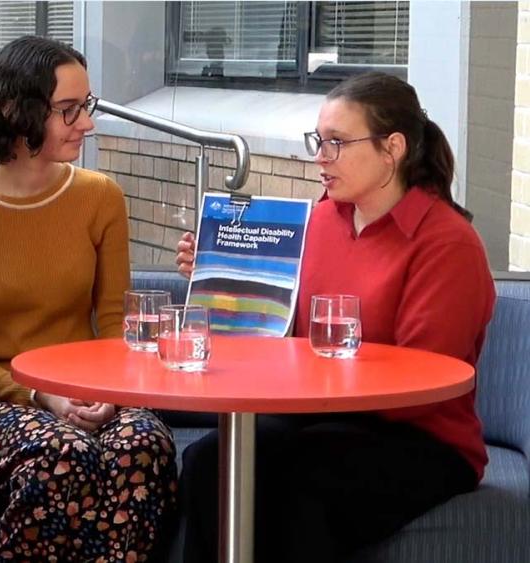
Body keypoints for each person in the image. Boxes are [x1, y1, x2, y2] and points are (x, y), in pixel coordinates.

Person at [174, 72, 495, 562]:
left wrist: (311, 383)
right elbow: (280, 324)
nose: (320, 157)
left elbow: (422, 380)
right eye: (318, 141)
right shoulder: (321, 219)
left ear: (393, 148)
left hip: (422, 439)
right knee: (207, 462)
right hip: (319, 419)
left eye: (337, 143)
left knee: (302, 485)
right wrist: (223, 273)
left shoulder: (446, 242)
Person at [0, 36, 177, 562]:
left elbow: (114, 320)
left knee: (144, 442)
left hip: (90, 388)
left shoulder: (100, 196)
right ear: (17, 111)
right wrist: (40, 397)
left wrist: (112, 390)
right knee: (62, 452)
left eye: (88, 105)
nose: (88, 122)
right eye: (69, 110)